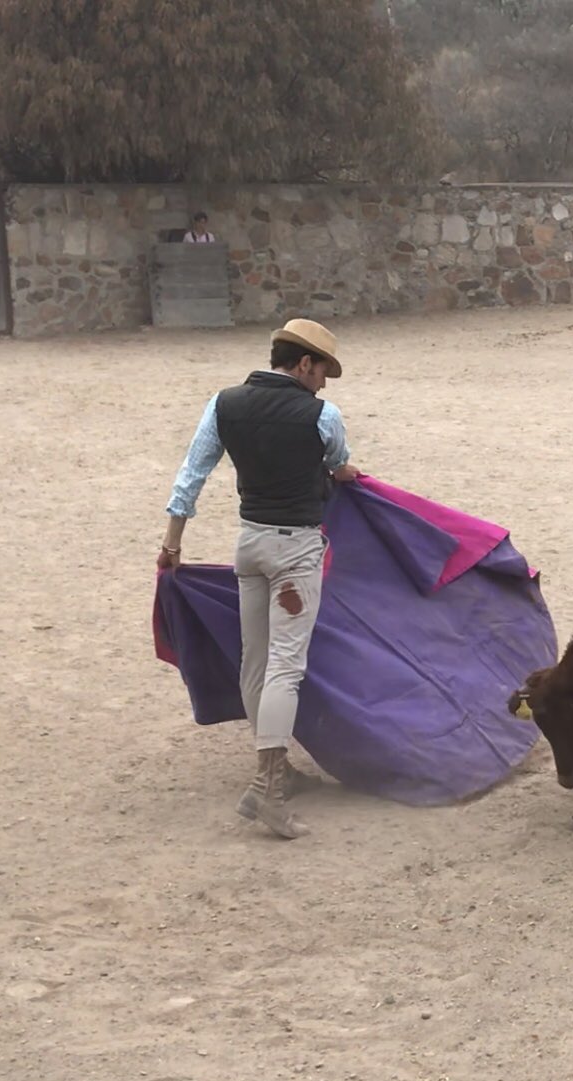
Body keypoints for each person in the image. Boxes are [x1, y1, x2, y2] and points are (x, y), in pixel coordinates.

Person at [159, 319, 361, 838]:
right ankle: (268, 787)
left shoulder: (224, 403)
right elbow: (341, 468)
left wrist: (172, 543)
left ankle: (276, 773)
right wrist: (350, 477)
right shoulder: (322, 416)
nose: (324, 383)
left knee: (255, 659)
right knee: (285, 669)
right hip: (295, 553)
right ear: (303, 365)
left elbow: (192, 474)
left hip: (249, 546)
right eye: (322, 372)